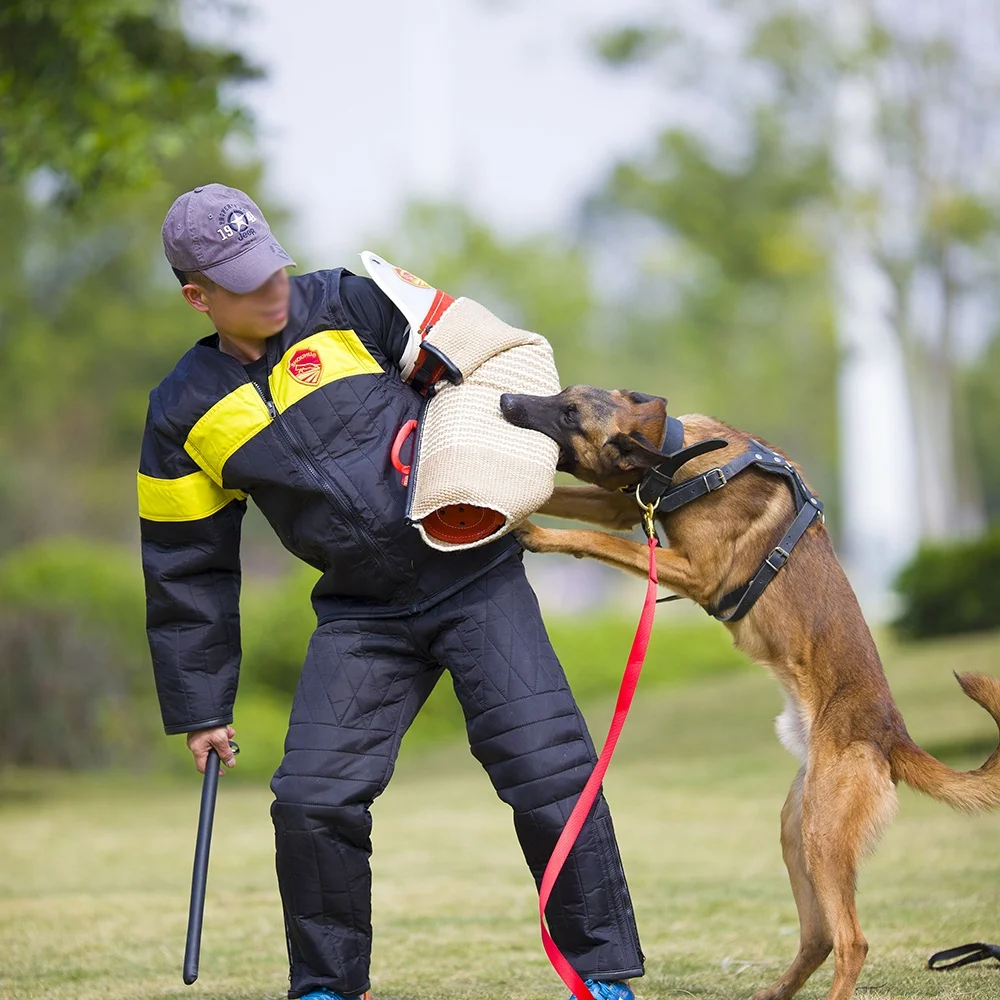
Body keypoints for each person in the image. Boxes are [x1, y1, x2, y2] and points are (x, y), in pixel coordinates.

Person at [139, 183, 644, 1000]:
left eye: (272, 267)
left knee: (550, 773)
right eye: (244, 283)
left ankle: (603, 977)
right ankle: (329, 986)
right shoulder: (180, 412)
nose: (272, 289)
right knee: (310, 801)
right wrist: (201, 705)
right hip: (360, 615)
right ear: (198, 298)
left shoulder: (352, 304)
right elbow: (184, 563)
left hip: (474, 576)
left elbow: (489, 369)